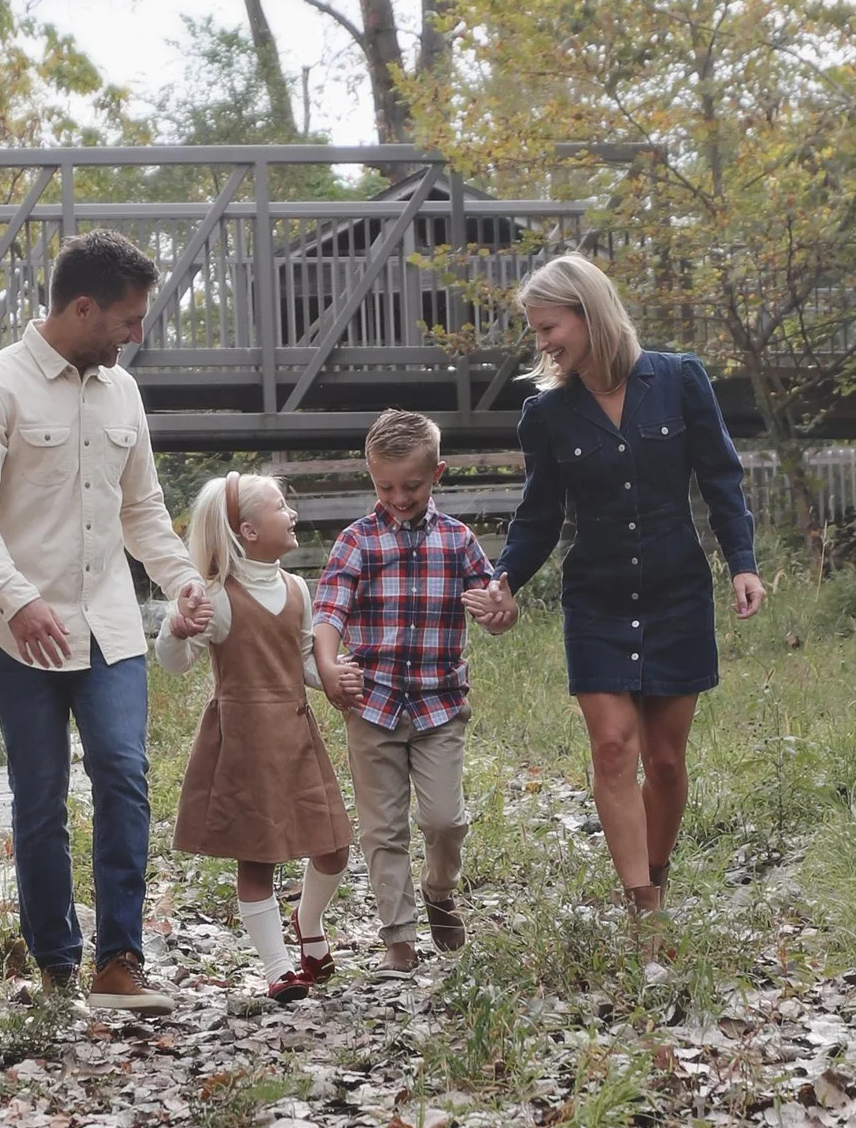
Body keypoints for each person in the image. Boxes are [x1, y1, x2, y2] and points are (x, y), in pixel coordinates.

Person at [0, 229, 210, 1003]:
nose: (137, 333)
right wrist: (16, 599)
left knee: (124, 776)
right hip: (16, 630)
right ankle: (57, 960)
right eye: (128, 320)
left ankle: (121, 960)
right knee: (40, 798)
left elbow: (143, 509)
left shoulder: (122, 391)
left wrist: (183, 581)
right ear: (82, 308)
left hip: (112, 626)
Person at [474, 250, 764, 913]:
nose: (542, 343)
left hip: (677, 595)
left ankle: (655, 872)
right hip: (597, 601)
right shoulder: (547, 415)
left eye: (549, 327)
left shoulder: (680, 380)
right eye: (537, 331)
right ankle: (645, 912)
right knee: (612, 748)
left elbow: (721, 478)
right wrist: (505, 578)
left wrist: (742, 563)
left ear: (589, 313)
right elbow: (539, 514)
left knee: (664, 762)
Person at [310, 408, 511, 977]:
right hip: (370, 704)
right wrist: (327, 665)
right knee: (382, 828)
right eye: (385, 486)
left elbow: (495, 602)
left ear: (438, 475)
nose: (398, 497)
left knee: (446, 819)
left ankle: (439, 890)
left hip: (438, 704)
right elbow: (328, 611)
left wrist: (499, 612)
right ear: (371, 478)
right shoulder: (356, 541)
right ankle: (397, 937)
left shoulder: (457, 540)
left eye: (412, 486)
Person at [156, 469, 353, 1000]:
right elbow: (174, 663)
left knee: (334, 847)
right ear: (247, 530)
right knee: (258, 857)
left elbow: (307, 659)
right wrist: (175, 627)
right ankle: (277, 968)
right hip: (243, 743)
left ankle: (308, 922)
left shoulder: (295, 589)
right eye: (281, 506)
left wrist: (335, 676)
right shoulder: (217, 599)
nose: (292, 513)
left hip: (294, 735)